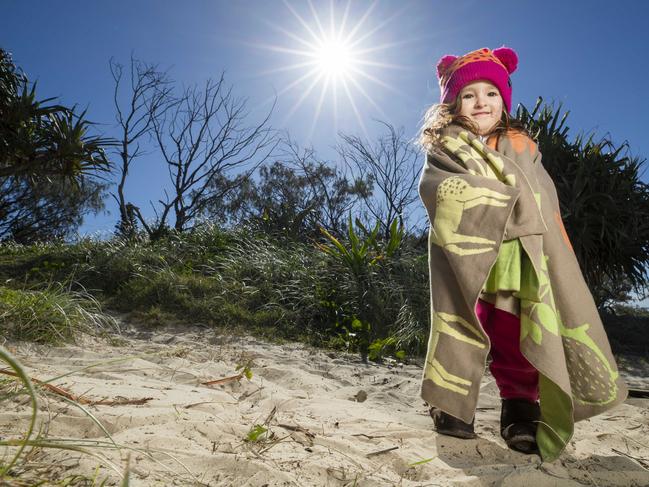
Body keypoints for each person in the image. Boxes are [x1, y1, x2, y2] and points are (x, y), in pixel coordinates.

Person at [416, 46, 627, 461]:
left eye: (491, 94)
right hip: (468, 259)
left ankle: (519, 406)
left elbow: (539, 197)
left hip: (518, 258)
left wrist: (507, 197)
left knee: (516, 333)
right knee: (461, 325)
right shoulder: (446, 148)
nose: (481, 102)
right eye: (470, 94)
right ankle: (452, 403)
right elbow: (438, 191)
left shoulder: (522, 146)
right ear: (453, 104)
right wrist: (500, 197)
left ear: (504, 101)